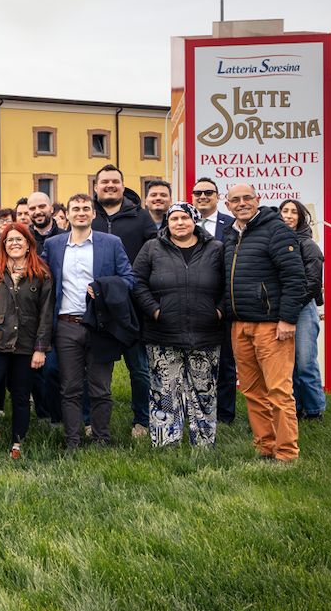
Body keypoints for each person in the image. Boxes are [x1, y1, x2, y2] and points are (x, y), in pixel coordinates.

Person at [42, 193, 134, 450]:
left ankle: (101, 438)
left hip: (100, 325)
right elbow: (41, 278)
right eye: (75, 209)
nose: (81, 212)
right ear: (67, 215)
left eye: (86, 208)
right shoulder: (54, 245)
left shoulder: (111, 243)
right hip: (66, 325)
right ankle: (72, 439)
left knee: (100, 388)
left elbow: (129, 279)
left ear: (94, 214)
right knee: (69, 387)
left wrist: (105, 288)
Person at [223, 184, 307, 463]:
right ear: (228, 204)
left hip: (272, 326)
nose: (242, 203)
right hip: (240, 326)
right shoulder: (230, 234)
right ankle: (265, 446)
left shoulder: (276, 230)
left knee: (279, 391)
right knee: (251, 390)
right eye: (236, 200)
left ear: (257, 200)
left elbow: (296, 278)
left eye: (247, 198)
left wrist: (287, 319)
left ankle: (286, 453)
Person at [132, 202, 226, 448]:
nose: (180, 223)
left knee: (204, 391)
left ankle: (203, 444)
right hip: (162, 333)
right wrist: (154, 310)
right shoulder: (152, 248)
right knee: (164, 391)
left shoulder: (215, 249)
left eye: (185, 218)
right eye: (174, 219)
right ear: (167, 223)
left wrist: (219, 311)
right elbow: (137, 282)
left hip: (205, 333)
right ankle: (166, 442)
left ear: (195, 221)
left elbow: (229, 285)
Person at [0, 224, 53, 460]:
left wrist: (40, 348)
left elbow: (46, 314)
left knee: (20, 395)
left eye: (19, 239)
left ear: (28, 244)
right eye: (9, 240)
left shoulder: (41, 273)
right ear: (3, 245)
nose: (14, 243)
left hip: (26, 345)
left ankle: (17, 443)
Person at [91, 164, 156, 439]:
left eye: (115, 181)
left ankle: (141, 420)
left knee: (139, 368)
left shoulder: (141, 218)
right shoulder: (88, 217)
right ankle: (88, 419)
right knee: (91, 369)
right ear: (95, 187)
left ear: (123, 185)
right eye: (104, 181)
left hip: (131, 305)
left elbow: (155, 252)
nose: (110, 185)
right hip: (95, 305)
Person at [192, 176, 237, 425]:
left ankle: (225, 415)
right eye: (198, 193)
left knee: (226, 363)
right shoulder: (183, 224)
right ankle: (198, 411)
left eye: (208, 192)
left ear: (218, 196)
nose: (203, 197)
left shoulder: (231, 225)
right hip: (192, 303)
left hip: (223, 302)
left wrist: (222, 306)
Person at [278, 198, 325, 422]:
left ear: (301, 218)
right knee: (289, 364)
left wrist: (292, 306)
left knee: (306, 362)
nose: (288, 215)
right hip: (283, 310)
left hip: (303, 308)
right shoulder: (275, 244)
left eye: (293, 212)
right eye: (284, 211)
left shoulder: (308, 245)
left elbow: (313, 282)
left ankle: (314, 410)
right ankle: (294, 407)